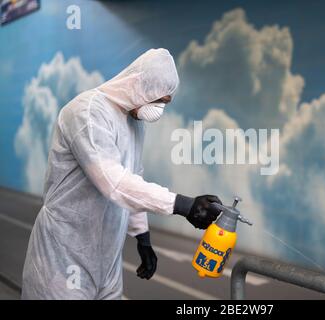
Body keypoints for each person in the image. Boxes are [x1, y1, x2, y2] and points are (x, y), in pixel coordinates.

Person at [21, 48, 222, 300]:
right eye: (158, 100)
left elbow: (132, 180)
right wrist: (183, 205)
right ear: (137, 84)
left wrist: (142, 237)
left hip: (107, 258)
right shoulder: (88, 112)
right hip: (63, 254)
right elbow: (114, 183)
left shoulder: (134, 122)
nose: (158, 109)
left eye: (164, 103)